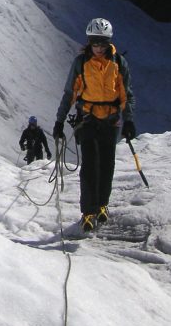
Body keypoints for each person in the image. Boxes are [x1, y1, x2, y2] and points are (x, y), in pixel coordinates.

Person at [52, 17, 136, 232]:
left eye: (102, 43)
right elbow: (70, 93)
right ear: (89, 41)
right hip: (88, 120)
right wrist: (59, 120)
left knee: (107, 165)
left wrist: (128, 120)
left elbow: (126, 94)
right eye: (94, 42)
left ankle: (102, 205)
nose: (98, 47)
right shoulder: (81, 63)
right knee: (90, 165)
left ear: (109, 41)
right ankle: (88, 211)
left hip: (111, 121)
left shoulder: (118, 63)